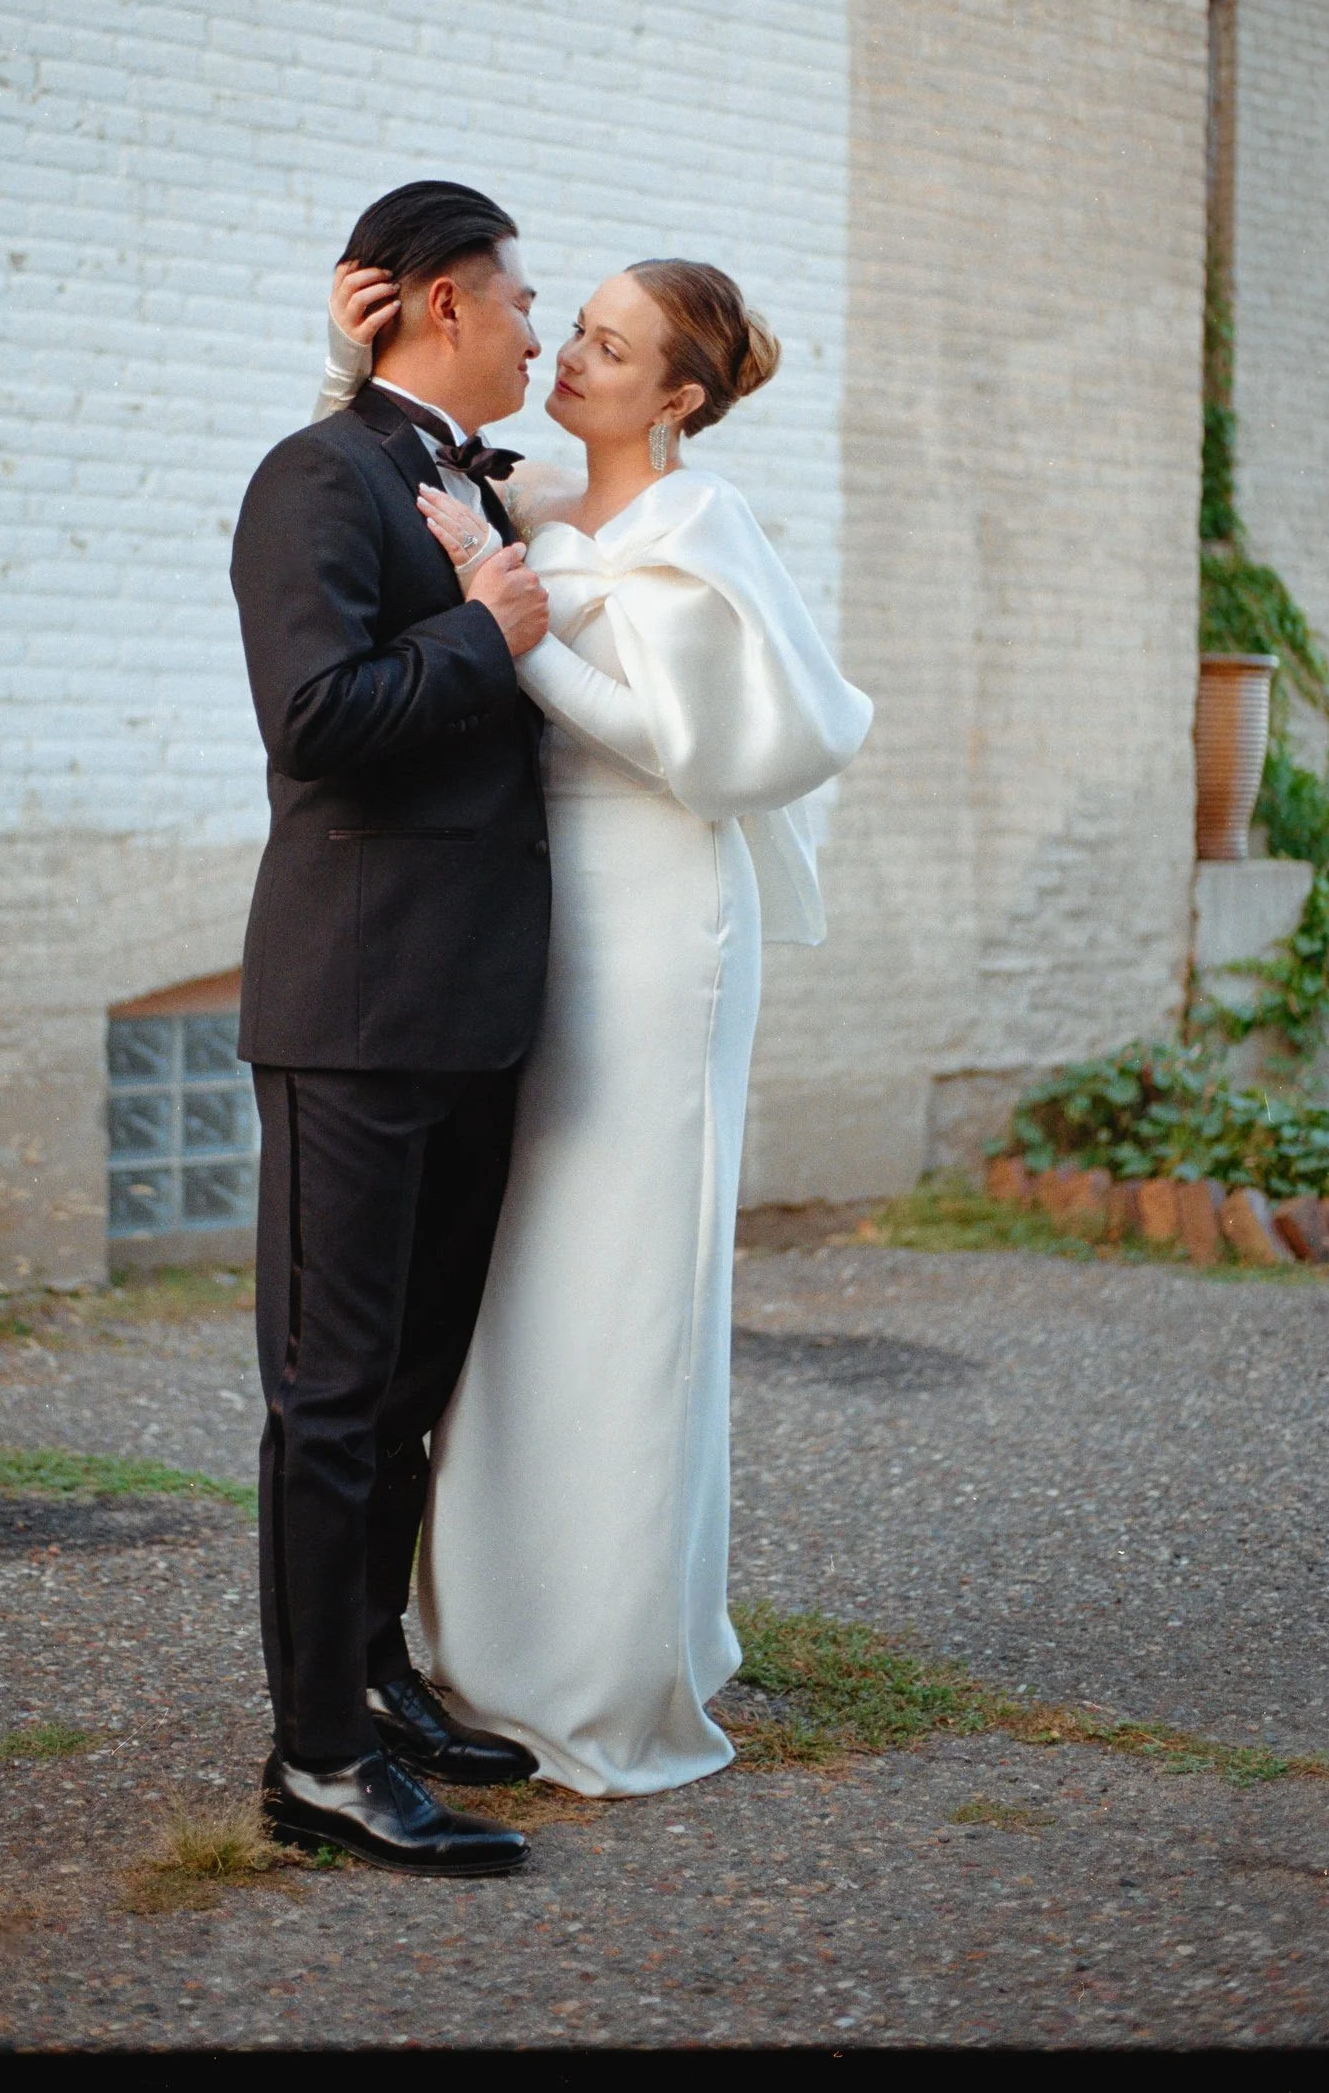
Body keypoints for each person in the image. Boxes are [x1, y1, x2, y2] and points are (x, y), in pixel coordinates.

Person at [315, 254, 873, 1795]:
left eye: (611, 349)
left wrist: (519, 633)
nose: (569, 355)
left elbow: (671, 744)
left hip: (657, 931)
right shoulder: (551, 508)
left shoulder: (700, 530)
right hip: (547, 930)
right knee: (529, 1280)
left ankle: (610, 1667)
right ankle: (494, 1644)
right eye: (574, 328)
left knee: (626, 1282)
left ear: (679, 398)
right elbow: (405, 467)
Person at [230, 180, 560, 1877]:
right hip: (356, 1007)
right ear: (440, 301)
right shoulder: (318, 477)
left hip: (468, 1011)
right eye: (516, 295)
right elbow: (320, 719)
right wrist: (486, 637)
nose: (532, 324)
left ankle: (374, 1677)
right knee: (336, 1395)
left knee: (412, 1384)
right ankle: (315, 1766)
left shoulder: (454, 477)